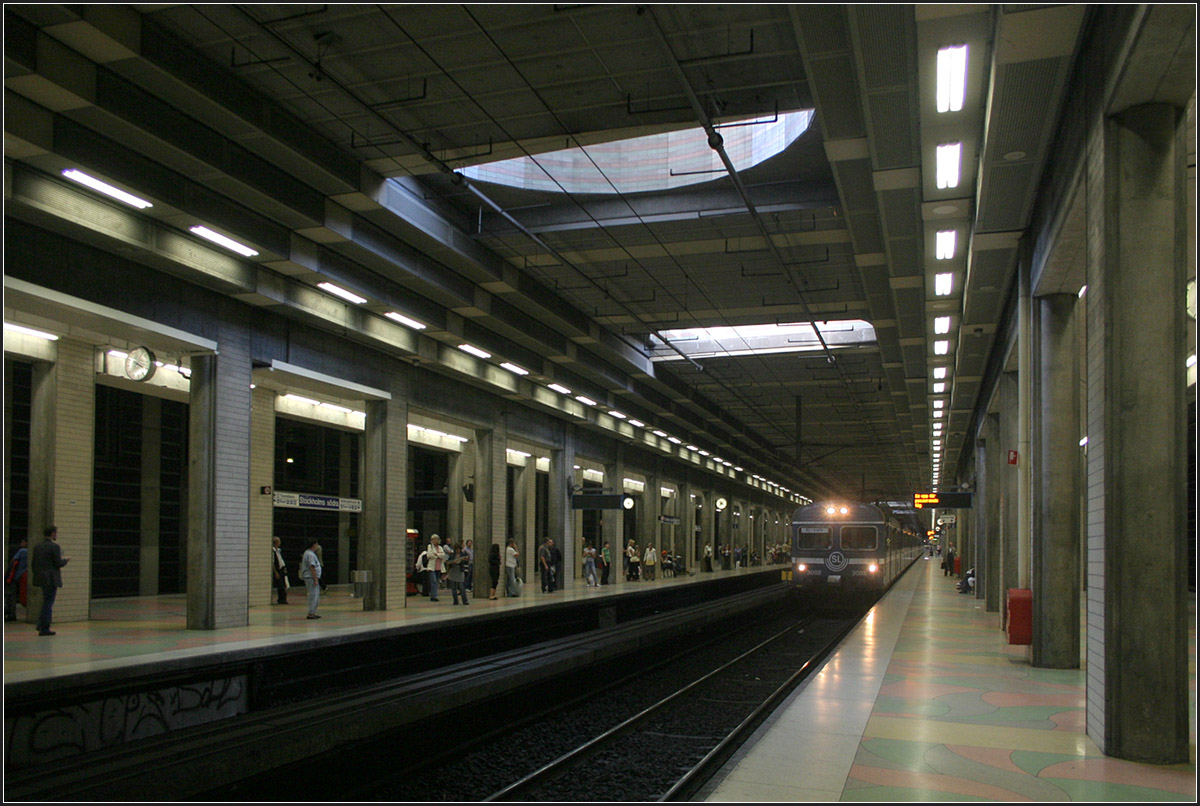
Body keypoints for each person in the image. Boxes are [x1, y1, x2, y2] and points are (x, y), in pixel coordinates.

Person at [31, 526, 70, 636]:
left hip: (41, 578)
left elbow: (34, 563)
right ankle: (44, 627)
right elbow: (58, 563)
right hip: (51, 579)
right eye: (56, 533)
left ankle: (40, 623)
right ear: (53, 533)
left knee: (46, 601)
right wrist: (65, 560)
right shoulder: (54, 547)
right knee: (48, 603)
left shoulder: (37, 546)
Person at [5, 538, 28, 622]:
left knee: (10, 595)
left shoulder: (22, 551)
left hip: (15, 576)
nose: (21, 544)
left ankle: (10, 613)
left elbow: (13, 562)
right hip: (24, 576)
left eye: (23, 541)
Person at [300, 538, 322, 619]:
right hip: (311, 577)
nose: (317, 546)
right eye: (316, 544)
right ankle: (311, 613)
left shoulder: (309, 553)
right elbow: (312, 567)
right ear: (313, 544)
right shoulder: (310, 554)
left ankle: (313, 612)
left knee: (315, 595)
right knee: (313, 595)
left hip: (311, 577)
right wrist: (315, 579)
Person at [446, 541, 469, 605]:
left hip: (460, 571)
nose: (457, 551)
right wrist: (452, 562)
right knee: (453, 587)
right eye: (456, 549)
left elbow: (467, 559)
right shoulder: (452, 555)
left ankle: (465, 600)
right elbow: (448, 561)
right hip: (453, 571)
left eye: (458, 549)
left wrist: (464, 559)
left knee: (462, 587)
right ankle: (455, 601)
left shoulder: (463, 554)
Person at [425, 534, 446, 602]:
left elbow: (443, 556)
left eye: (436, 539)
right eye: (434, 539)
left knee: (436, 582)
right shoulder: (430, 546)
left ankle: (435, 594)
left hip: (438, 567)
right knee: (433, 581)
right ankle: (433, 596)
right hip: (432, 567)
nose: (435, 541)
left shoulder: (440, 547)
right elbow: (429, 555)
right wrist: (438, 555)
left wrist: (436, 554)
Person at [271, 536, 288, 605]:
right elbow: (272, 562)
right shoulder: (273, 551)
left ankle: (283, 598)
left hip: (282, 569)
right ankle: (281, 599)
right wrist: (275, 572)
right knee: (280, 585)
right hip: (277, 570)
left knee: (284, 584)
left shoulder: (279, 551)